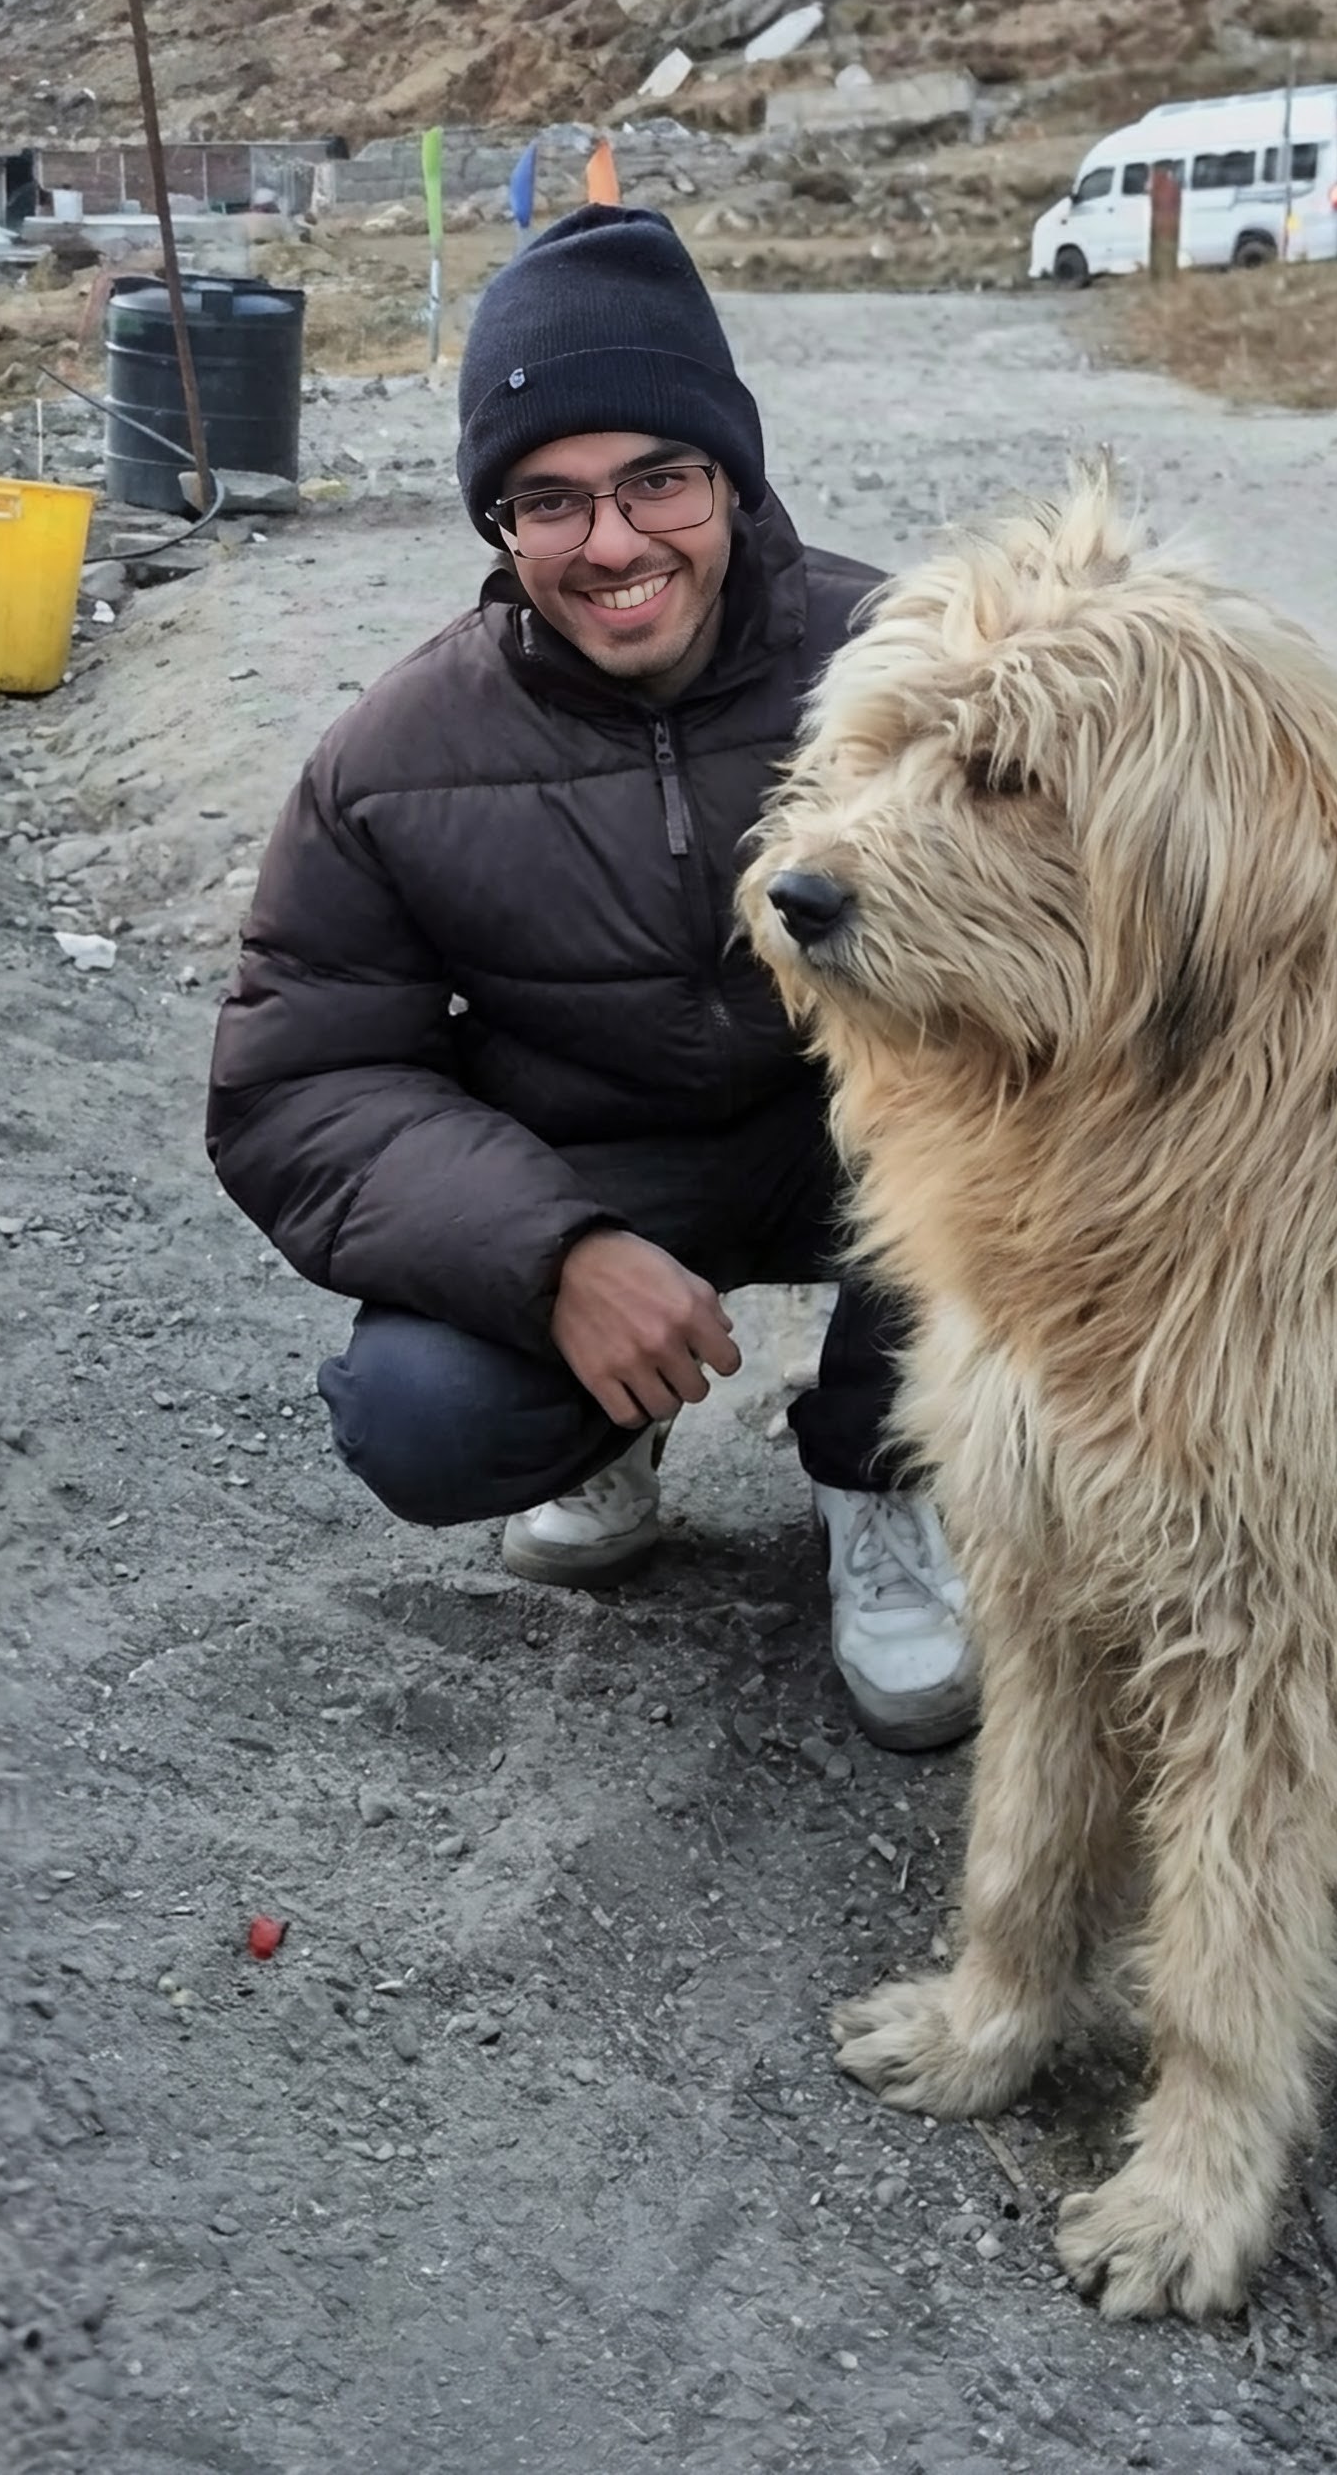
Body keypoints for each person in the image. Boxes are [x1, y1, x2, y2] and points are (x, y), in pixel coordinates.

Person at [205, 203, 975, 1751]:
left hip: (873, 1137)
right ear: (500, 527)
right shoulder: (392, 756)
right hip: (603, 1166)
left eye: (656, 482)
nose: (611, 542)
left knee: (1001, 1143)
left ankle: (882, 1479)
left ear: (730, 479)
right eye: (547, 501)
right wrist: (551, 1253)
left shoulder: (911, 660)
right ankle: (604, 1416)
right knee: (424, 1418)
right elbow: (303, 1080)